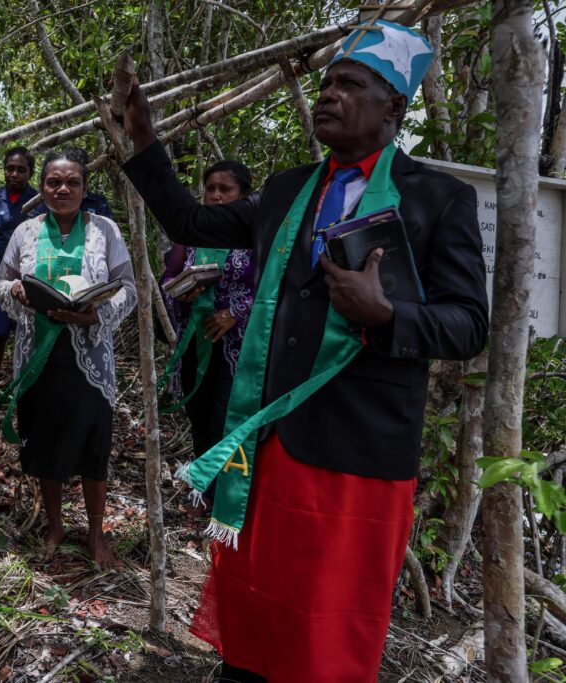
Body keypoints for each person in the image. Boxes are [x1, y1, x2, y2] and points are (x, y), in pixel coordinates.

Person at [122, 21, 488, 682]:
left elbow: (467, 325)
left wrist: (386, 315)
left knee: (328, 625)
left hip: (358, 448)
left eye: (350, 85)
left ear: (393, 109)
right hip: (267, 439)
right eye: (326, 83)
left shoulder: (438, 198)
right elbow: (191, 222)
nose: (329, 95)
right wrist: (145, 139)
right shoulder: (291, 190)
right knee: (258, 606)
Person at [0, 148, 137, 568]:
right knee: (43, 440)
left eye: (72, 182)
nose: (63, 189)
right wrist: (17, 292)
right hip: (38, 354)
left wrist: (99, 313)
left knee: (94, 442)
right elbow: (0, 284)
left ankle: (96, 533)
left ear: (85, 188)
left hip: (89, 357)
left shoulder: (104, 230)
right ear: (42, 188)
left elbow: (126, 286)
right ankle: (55, 523)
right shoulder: (25, 232)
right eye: (54, 182)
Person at [158, 161, 255, 488]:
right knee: (199, 418)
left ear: (244, 195)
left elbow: (272, 285)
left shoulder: (257, 234)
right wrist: (180, 292)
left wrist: (234, 313)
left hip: (236, 347)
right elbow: (168, 278)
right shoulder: (191, 232)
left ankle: (230, 497)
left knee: (225, 420)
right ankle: (206, 490)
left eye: (224, 190)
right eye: (210, 189)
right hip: (194, 343)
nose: (215, 196)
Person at [0, 146, 41, 376]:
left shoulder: (39, 201)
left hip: (30, 276)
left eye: (21, 170)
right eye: (10, 169)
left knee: (29, 333)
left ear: (30, 173)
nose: (14, 174)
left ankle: (24, 384)